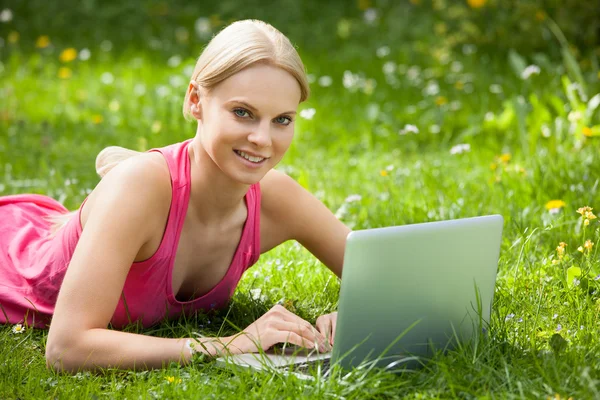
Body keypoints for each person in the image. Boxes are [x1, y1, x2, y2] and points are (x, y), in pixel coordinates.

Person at [0, 19, 351, 372]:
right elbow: (66, 349)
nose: (263, 138)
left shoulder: (277, 198)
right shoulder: (138, 189)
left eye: (282, 120)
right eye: (242, 113)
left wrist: (354, 313)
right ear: (195, 100)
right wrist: (229, 345)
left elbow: (391, 275)